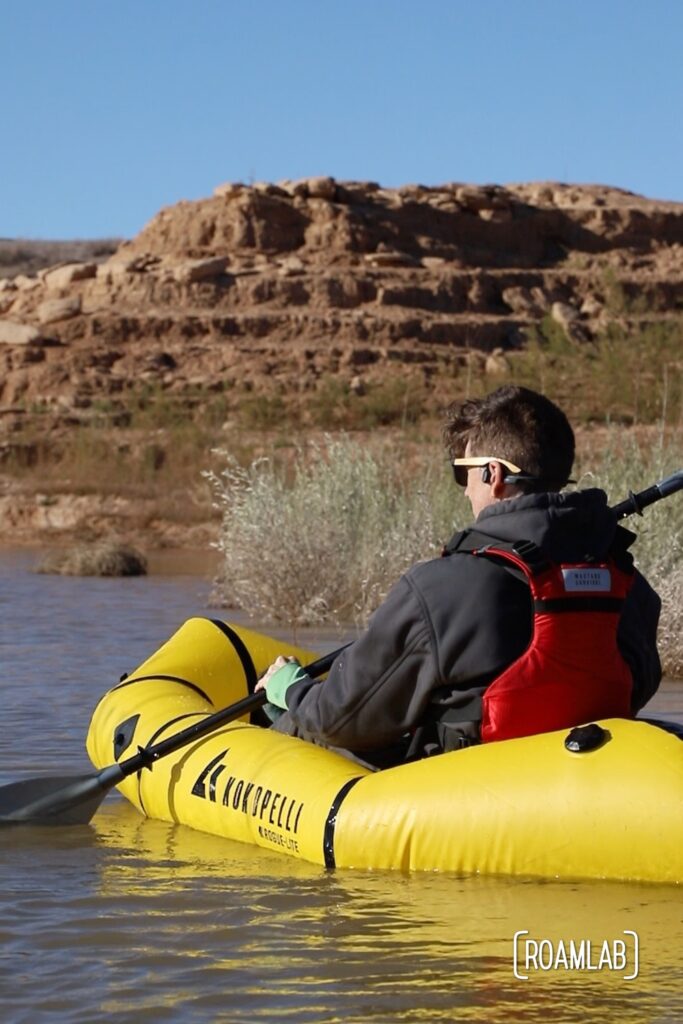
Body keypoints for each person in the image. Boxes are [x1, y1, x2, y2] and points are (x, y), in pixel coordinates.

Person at [255, 385, 661, 766]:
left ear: (492, 474)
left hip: (462, 796)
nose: (465, 490)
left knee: (294, 725)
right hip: (576, 781)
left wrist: (290, 688)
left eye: (462, 472)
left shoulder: (439, 589)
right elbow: (638, 687)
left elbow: (340, 719)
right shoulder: (628, 583)